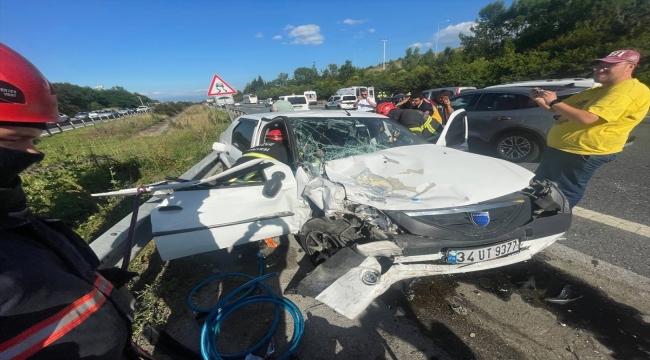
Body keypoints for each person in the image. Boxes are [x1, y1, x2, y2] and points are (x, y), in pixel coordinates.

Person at [0, 43, 140, 358]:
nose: (34, 154)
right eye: (14, 139)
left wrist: (88, 281)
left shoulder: (12, 216)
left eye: (35, 139)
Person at [530, 49, 650, 208]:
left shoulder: (628, 90)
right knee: (540, 186)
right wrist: (540, 99)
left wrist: (553, 102)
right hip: (561, 148)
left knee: (562, 193)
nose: (601, 68)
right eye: (600, 64)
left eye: (611, 65)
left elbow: (587, 118)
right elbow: (556, 109)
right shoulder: (597, 90)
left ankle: (552, 225)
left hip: (582, 151)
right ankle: (534, 214)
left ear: (630, 66)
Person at [376, 102, 441, 140]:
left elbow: (416, 138)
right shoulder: (403, 114)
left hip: (435, 138)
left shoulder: (407, 117)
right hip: (432, 136)